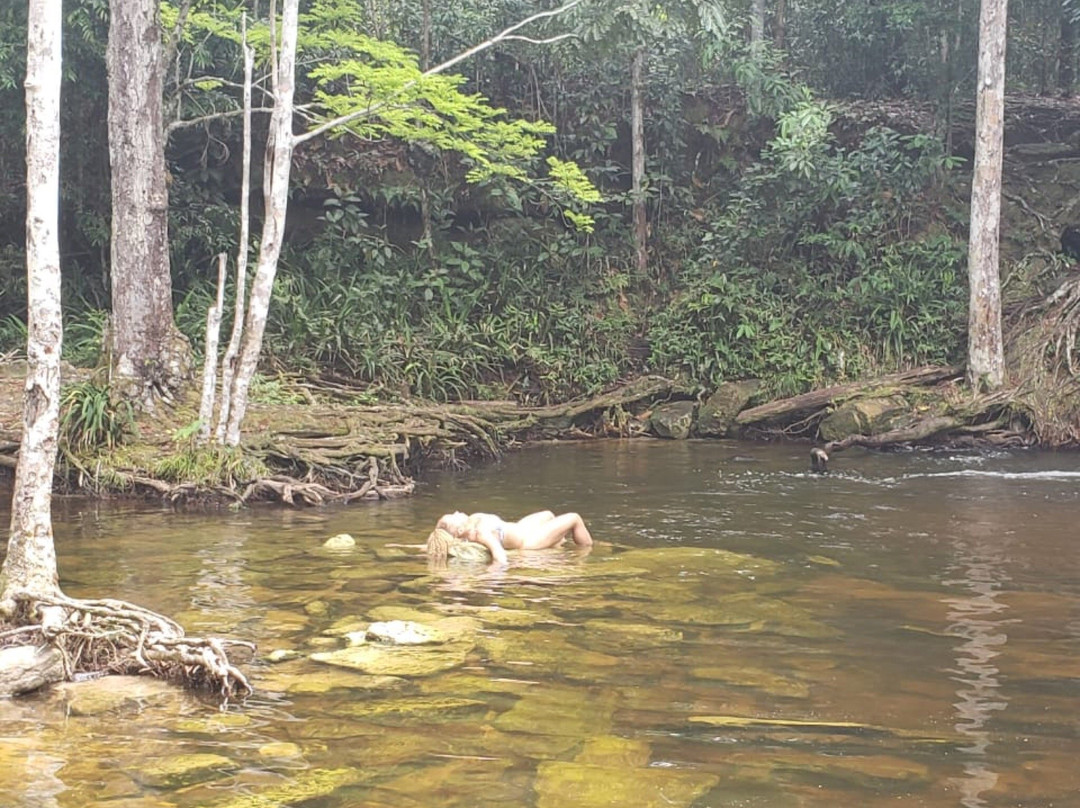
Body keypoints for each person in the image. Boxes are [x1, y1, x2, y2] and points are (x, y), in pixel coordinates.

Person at [434, 509, 593, 564]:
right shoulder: (480, 532)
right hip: (528, 541)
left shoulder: (472, 522)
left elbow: (439, 542)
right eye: (453, 516)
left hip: (521, 528)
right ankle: (587, 551)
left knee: (548, 515)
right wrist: (494, 579)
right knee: (574, 518)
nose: (456, 512)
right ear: (459, 530)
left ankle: (557, 543)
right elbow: (500, 556)